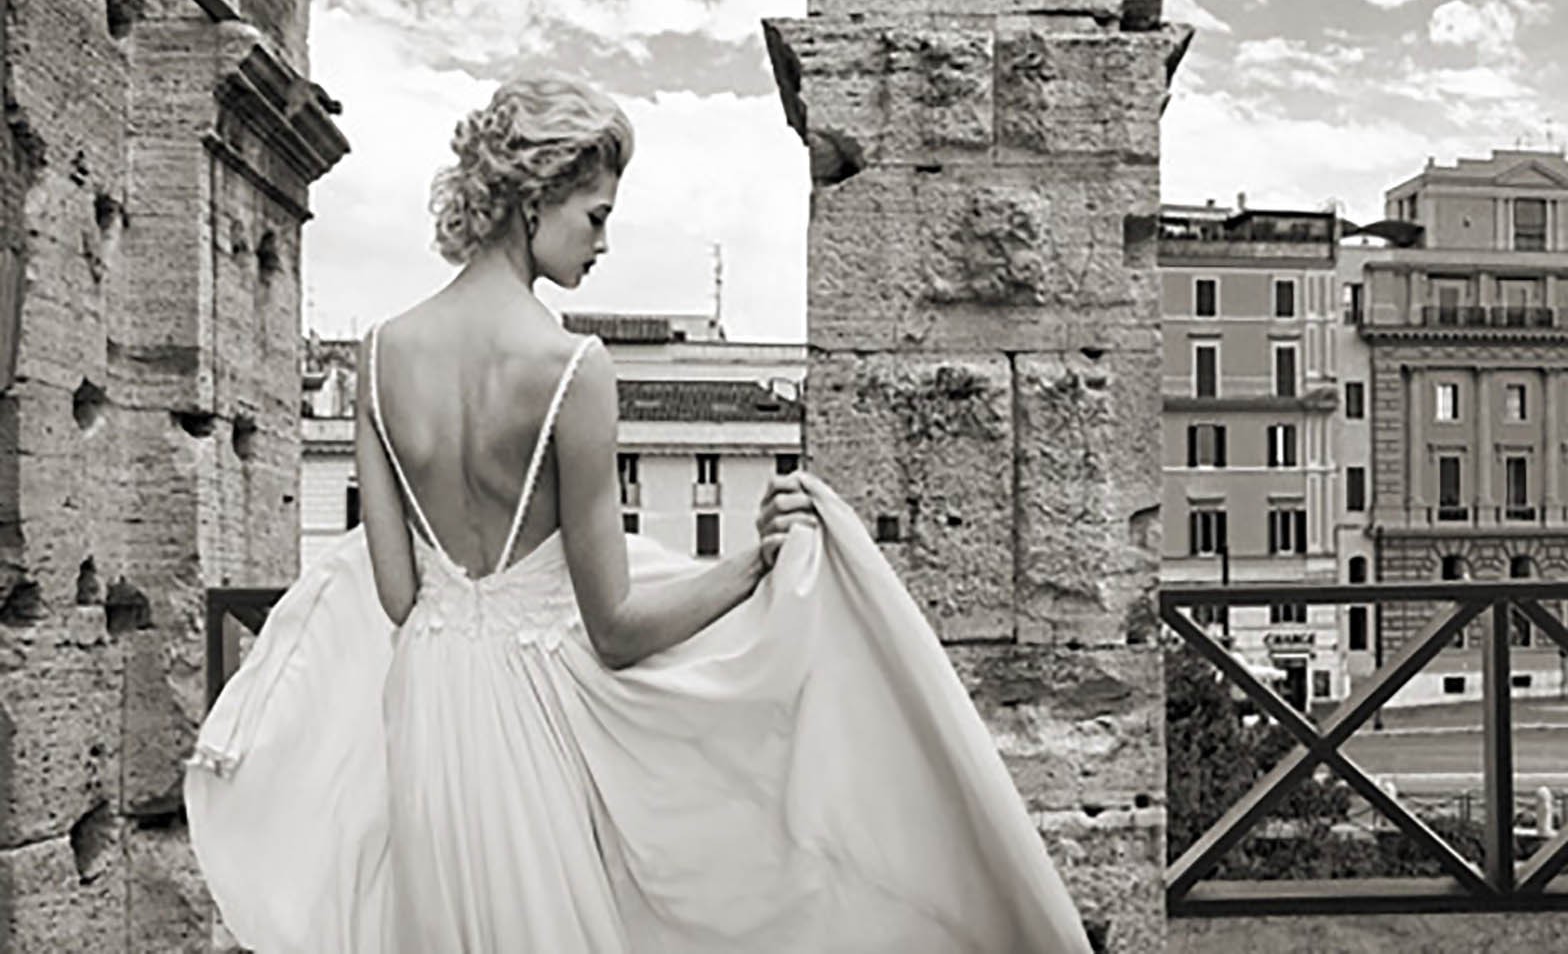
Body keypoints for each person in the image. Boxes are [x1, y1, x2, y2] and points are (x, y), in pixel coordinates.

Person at [185, 75, 1093, 953]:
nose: (604, 242)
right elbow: (614, 629)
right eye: (597, 215)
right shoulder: (571, 371)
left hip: (425, 707)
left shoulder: (381, 351)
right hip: (530, 723)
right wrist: (752, 565)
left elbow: (394, 592)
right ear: (533, 198)